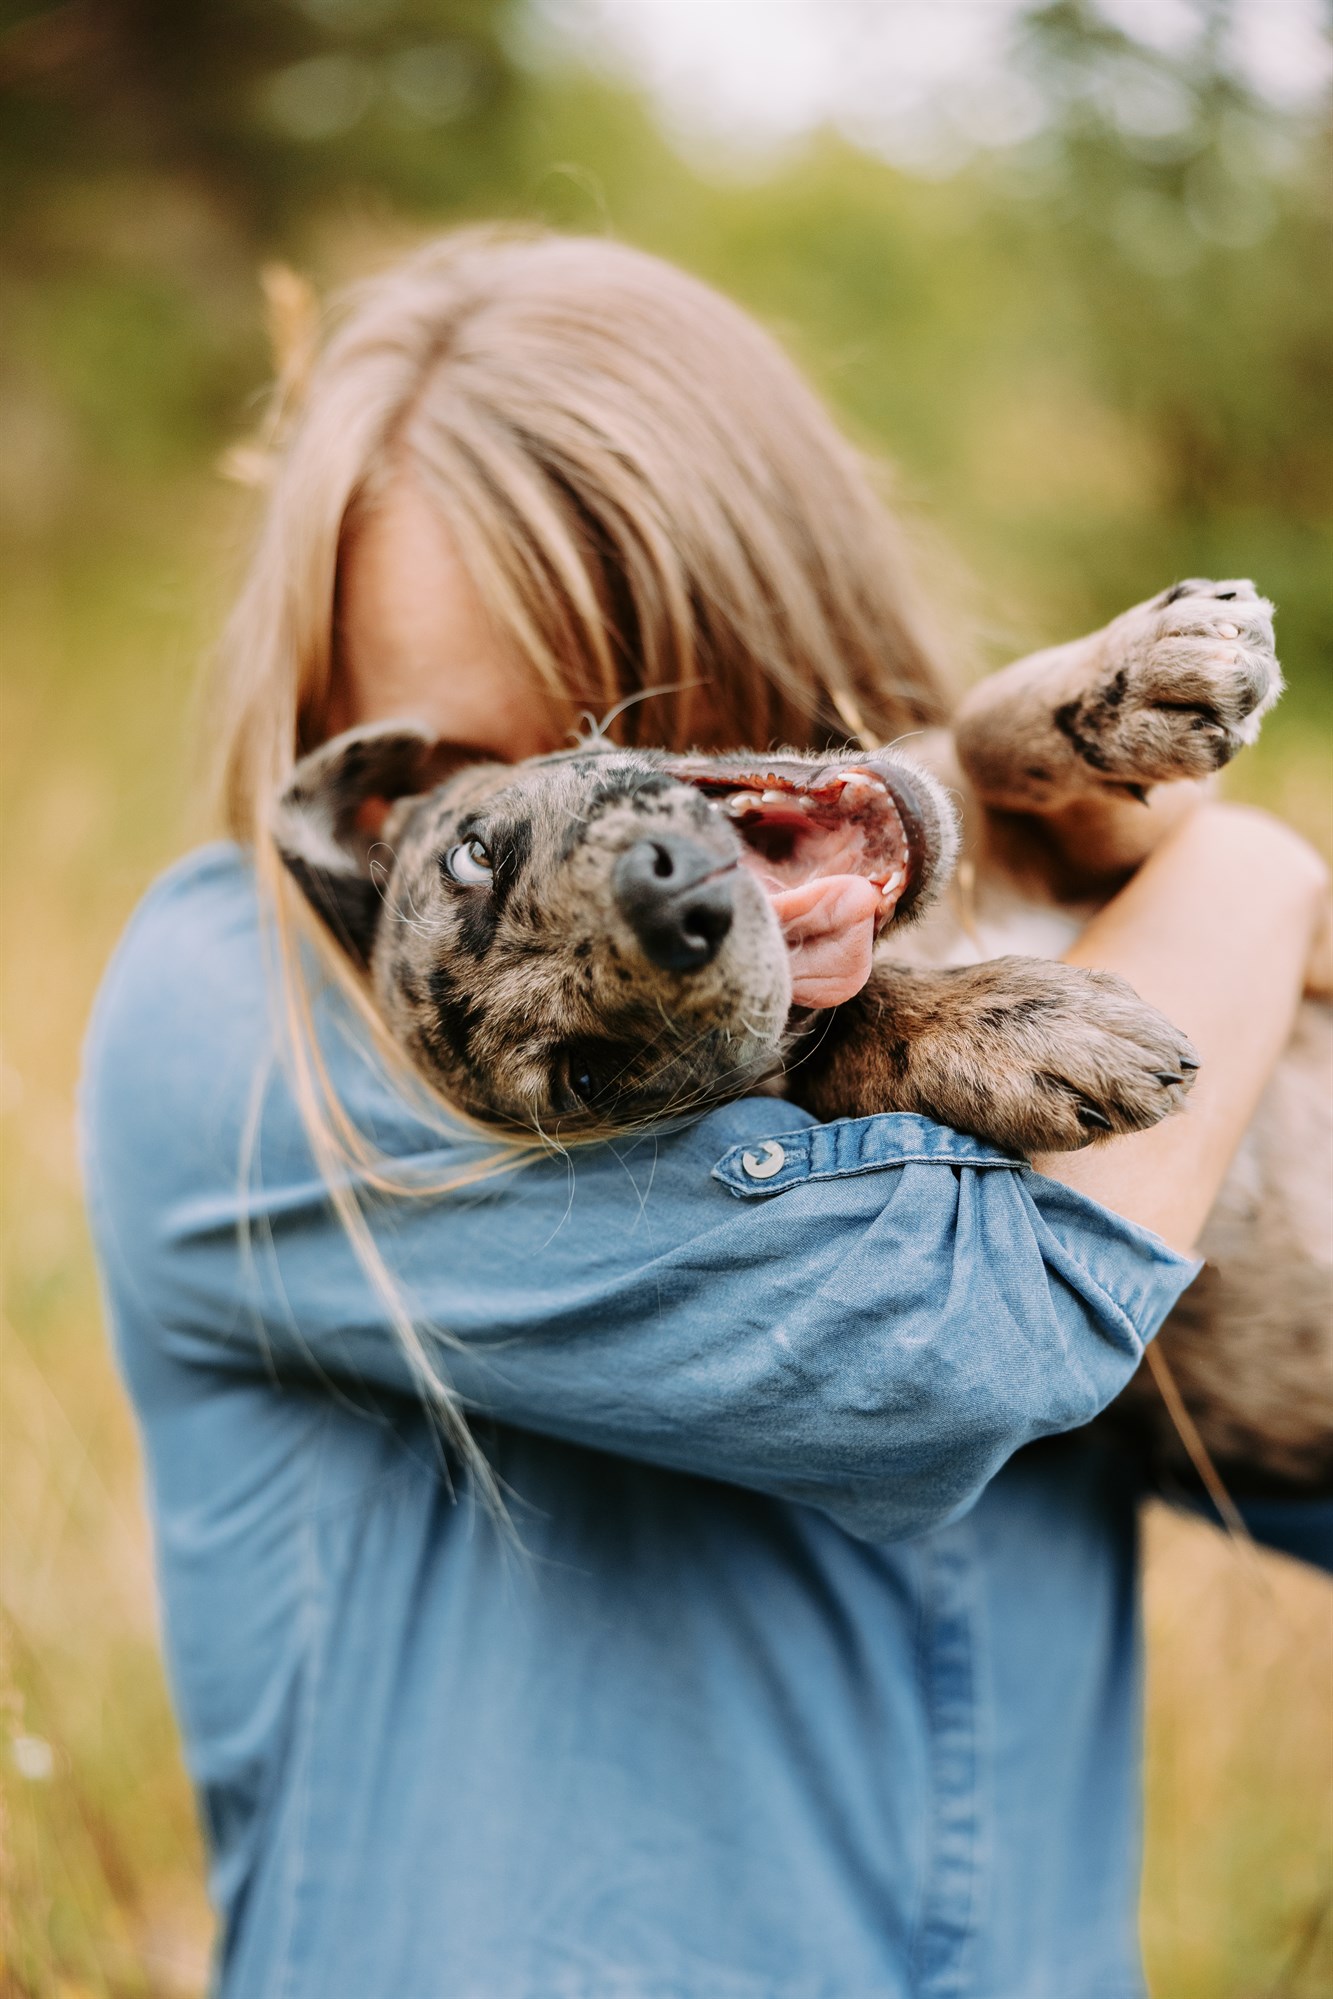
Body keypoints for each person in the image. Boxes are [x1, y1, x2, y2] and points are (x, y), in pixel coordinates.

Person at [81, 231, 1328, 1999]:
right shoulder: (265, 1012)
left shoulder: (951, 884)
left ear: (795, 671)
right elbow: (950, 1338)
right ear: (346, 764)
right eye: (465, 783)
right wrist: (1252, 881)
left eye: (666, 737)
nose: (626, 861)